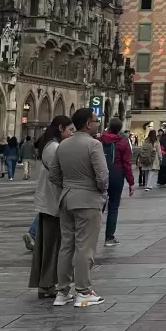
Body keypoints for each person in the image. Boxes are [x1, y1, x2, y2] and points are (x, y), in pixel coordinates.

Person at [48, 108, 108, 308]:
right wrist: (99, 191)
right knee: (84, 246)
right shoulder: (94, 144)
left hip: (66, 198)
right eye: (96, 120)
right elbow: (102, 176)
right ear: (88, 124)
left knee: (67, 246)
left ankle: (62, 292)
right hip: (88, 200)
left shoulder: (63, 145)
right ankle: (83, 291)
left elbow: (53, 175)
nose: (98, 123)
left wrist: (68, 186)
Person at [28, 116, 73, 299]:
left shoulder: (50, 146)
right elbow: (61, 173)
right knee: (51, 246)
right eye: (70, 130)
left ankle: (46, 284)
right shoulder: (54, 148)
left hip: (49, 201)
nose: (71, 134)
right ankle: (47, 284)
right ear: (61, 128)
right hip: (52, 202)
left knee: (48, 245)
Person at [100, 117, 134, 246]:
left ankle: (91, 234)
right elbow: (127, 163)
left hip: (101, 174)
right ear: (119, 129)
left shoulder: (99, 140)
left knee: (98, 206)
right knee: (113, 207)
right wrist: (131, 182)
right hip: (117, 175)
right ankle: (109, 238)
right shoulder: (122, 143)